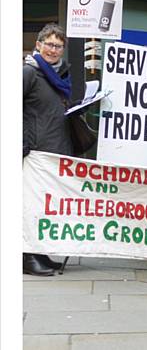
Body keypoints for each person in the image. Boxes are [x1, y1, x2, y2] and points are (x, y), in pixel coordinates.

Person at [23, 23, 74, 276]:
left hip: (54, 149)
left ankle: (40, 252)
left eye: (58, 46)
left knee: (44, 205)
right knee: (30, 205)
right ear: (39, 45)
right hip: (34, 150)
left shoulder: (60, 77)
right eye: (50, 44)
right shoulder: (29, 72)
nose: (54, 50)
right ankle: (26, 257)